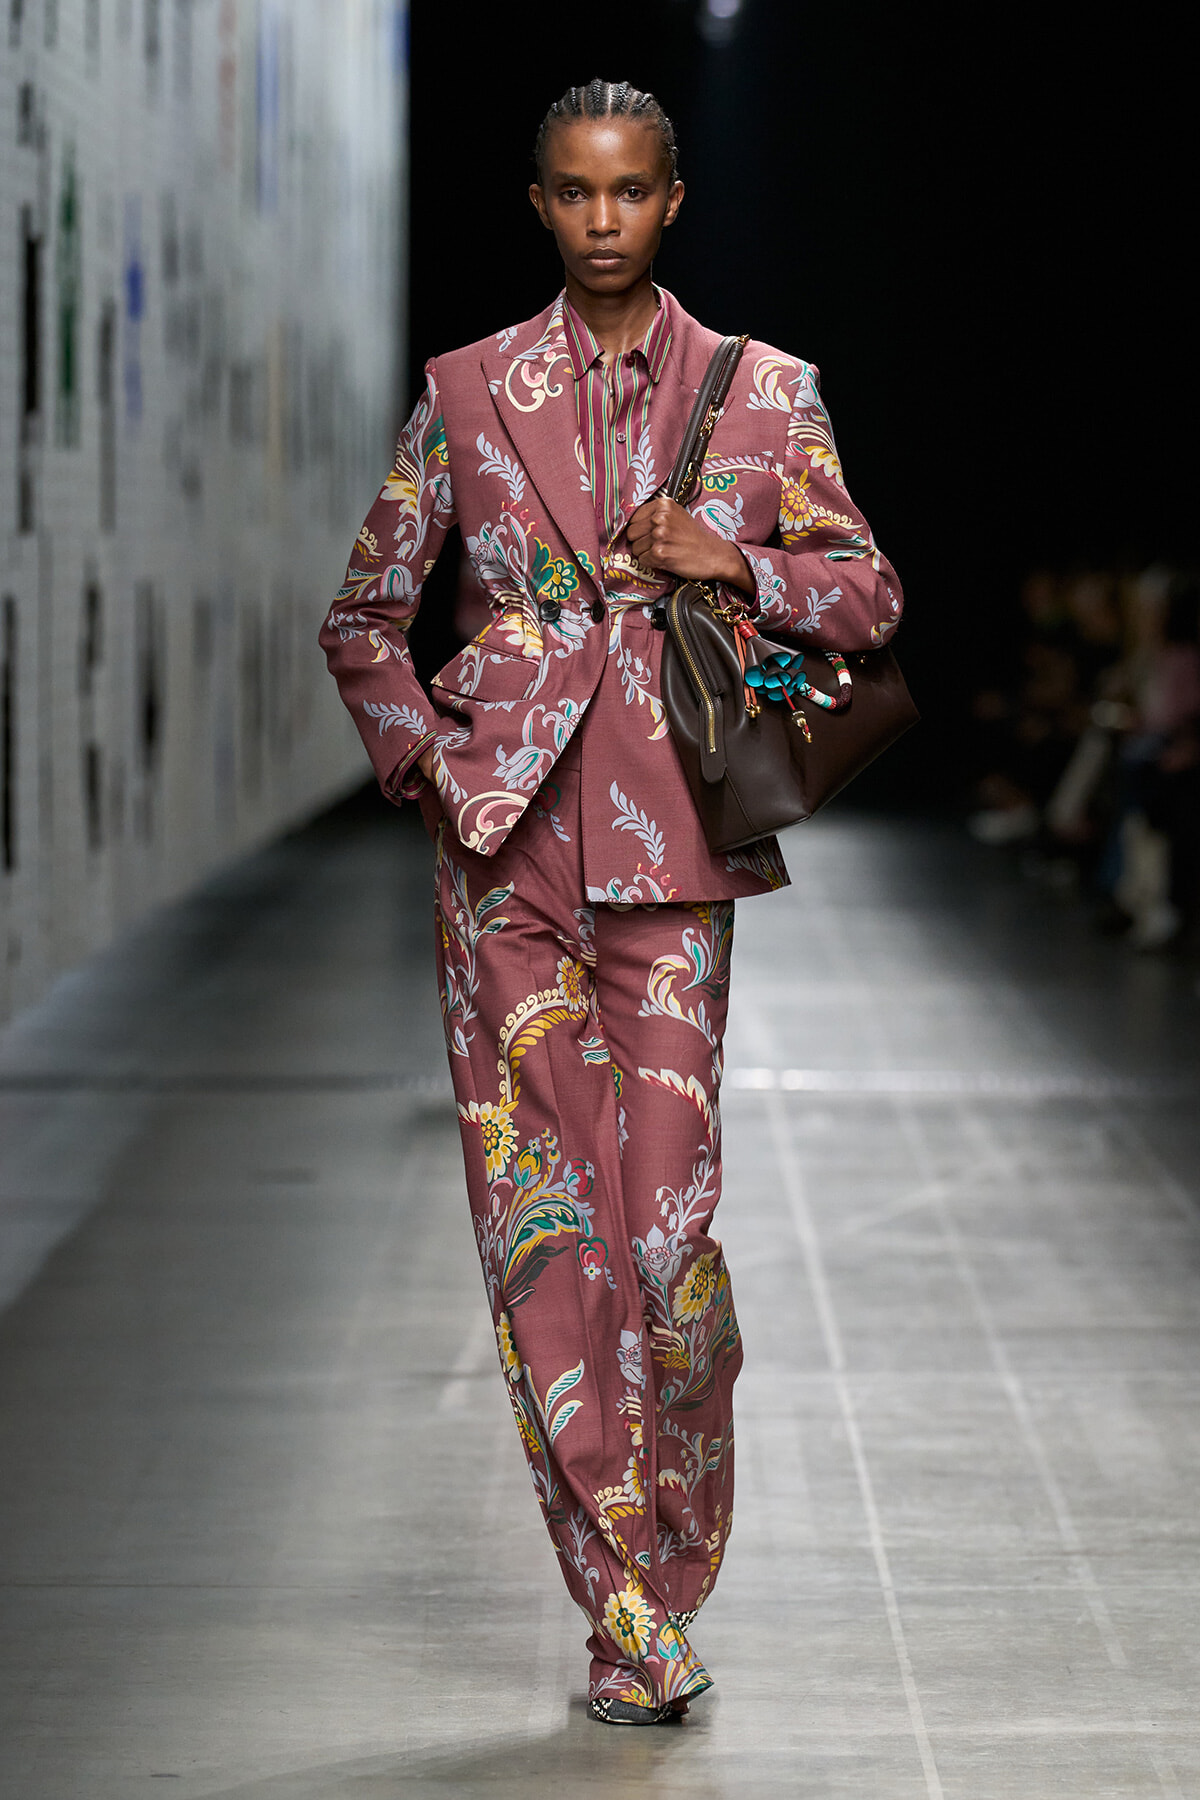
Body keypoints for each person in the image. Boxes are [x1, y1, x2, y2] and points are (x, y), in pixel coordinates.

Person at [321, 78, 902, 1725]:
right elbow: (365, 612)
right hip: (501, 870)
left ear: (672, 200)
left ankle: (679, 1541)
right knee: (547, 1242)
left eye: (630, 192)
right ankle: (626, 1612)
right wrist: (434, 767)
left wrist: (737, 564)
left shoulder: (763, 392)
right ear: (537, 202)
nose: (601, 220)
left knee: (664, 1244)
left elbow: (869, 593)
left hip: (670, 861)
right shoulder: (467, 391)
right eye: (574, 193)